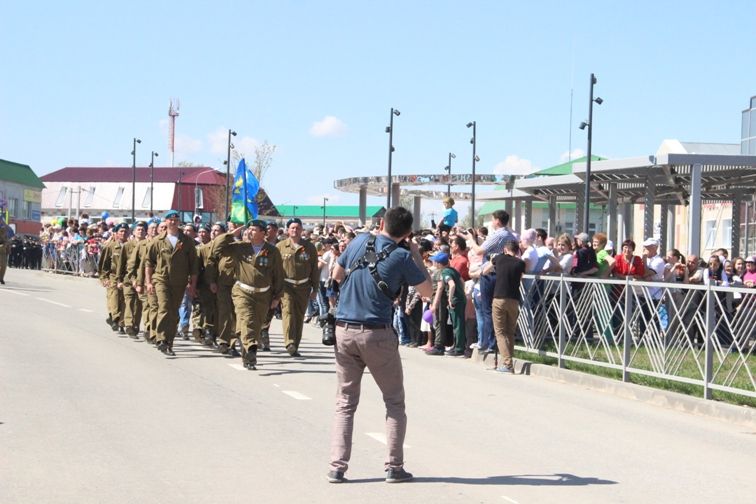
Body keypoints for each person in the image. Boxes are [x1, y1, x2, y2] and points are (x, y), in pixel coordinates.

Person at [328, 207, 432, 484]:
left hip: (344, 330)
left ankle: (337, 466)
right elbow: (427, 291)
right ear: (408, 233)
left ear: (382, 223)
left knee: (345, 403)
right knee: (394, 401)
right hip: (377, 333)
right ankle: (394, 467)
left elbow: (337, 274)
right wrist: (415, 256)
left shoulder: (359, 240)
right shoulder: (401, 256)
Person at [212, 219, 284, 370]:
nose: (249, 232)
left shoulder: (272, 251)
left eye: (254, 229)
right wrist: (232, 234)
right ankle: (252, 347)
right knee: (247, 318)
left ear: (263, 233)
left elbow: (278, 274)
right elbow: (217, 249)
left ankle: (247, 355)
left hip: (263, 294)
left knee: (255, 326)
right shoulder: (240, 248)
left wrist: (277, 297)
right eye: (248, 229)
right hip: (242, 292)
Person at [144, 210, 198, 356]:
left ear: (179, 222)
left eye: (176, 219)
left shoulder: (186, 241)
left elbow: (193, 265)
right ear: (166, 222)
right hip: (161, 279)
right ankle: (161, 338)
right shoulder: (158, 240)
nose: (173, 222)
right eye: (170, 220)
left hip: (179, 282)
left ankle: (169, 342)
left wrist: (192, 285)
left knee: (174, 313)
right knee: (164, 307)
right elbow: (149, 263)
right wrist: (149, 283)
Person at [276, 218, 319, 357]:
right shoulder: (280, 246)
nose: (295, 230)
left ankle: (296, 344)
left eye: (298, 228)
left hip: (303, 286)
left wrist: (315, 289)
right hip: (286, 285)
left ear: (302, 230)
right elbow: (275, 270)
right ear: (288, 230)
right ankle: (289, 343)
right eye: (292, 228)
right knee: (288, 312)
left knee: (299, 315)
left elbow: (314, 269)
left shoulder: (309, 247)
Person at [492, 240, 525, 373]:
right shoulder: (521, 263)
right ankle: (508, 360)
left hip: (499, 298)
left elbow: (488, 267)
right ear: (517, 250)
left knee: (500, 332)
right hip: (514, 299)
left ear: (505, 249)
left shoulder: (499, 258)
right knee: (510, 332)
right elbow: (521, 278)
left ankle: (507, 363)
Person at [427, 252, 466, 356]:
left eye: (435, 261)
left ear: (439, 263)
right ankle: (456, 346)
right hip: (460, 298)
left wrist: (450, 298)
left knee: (457, 324)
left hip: (454, 300)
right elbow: (462, 281)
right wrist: (462, 293)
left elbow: (450, 285)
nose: (433, 262)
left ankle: (458, 348)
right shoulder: (453, 270)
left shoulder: (444, 272)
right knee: (457, 323)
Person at [98, 222, 129, 333]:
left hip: (126, 277)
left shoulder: (131, 246)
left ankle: (120, 322)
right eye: (121, 231)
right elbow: (103, 264)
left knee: (124, 301)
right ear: (116, 233)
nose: (123, 233)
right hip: (113, 276)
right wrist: (103, 278)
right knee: (114, 298)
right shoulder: (111, 247)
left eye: (125, 231)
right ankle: (115, 318)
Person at [118, 221, 147, 338]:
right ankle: (129, 325)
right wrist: (119, 280)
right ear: (134, 232)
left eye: (142, 230)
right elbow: (121, 264)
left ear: (146, 232)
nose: (140, 231)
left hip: (142, 279)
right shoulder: (127, 245)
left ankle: (135, 325)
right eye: (138, 229)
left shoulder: (148, 245)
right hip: (128, 278)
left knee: (139, 304)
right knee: (129, 301)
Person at [0, 215, 10, 284]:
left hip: (2, 251)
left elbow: (7, 241)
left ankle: (1, 278)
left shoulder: (5, 233)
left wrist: (6, 245)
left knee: (4, 265)